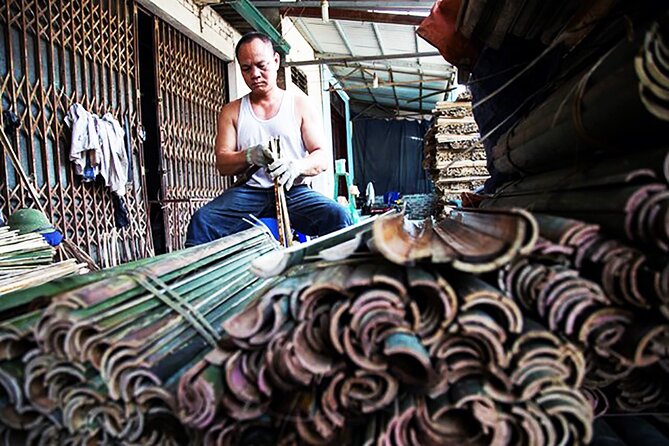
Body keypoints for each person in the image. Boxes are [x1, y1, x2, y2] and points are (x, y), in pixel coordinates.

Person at [185, 32, 352, 246]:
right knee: (203, 222)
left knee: (337, 216)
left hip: (293, 190)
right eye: (246, 69)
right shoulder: (232, 111)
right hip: (249, 192)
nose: (255, 74)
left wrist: (296, 166)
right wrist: (248, 155)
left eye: (261, 65)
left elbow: (321, 157)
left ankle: (332, 275)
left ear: (275, 61)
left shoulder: (299, 104)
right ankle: (204, 279)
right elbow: (223, 163)